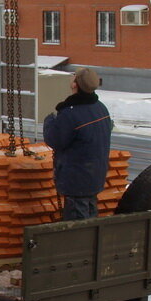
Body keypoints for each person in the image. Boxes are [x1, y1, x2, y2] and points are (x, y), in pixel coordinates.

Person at [43, 67, 113, 221]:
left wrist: (49, 121)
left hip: (76, 181)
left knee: (78, 228)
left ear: (75, 84)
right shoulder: (101, 108)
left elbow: (54, 140)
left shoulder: (71, 114)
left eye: (74, 76)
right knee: (91, 221)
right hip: (95, 177)